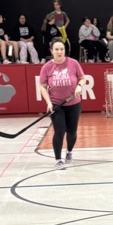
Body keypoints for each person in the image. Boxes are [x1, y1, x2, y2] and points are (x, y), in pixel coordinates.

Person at [39, 39, 84, 170]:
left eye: (62, 49)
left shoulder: (73, 63)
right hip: (56, 104)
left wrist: (79, 86)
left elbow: (82, 78)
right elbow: (42, 86)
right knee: (59, 131)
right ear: (52, 51)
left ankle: (69, 151)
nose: (59, 52)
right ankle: (58, 159)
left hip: (73, 103)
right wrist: (48, 103)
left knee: (72, 132)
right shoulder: (47, 67)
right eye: (56, 49)